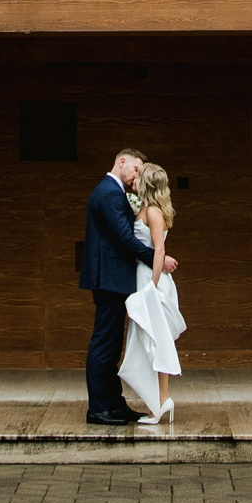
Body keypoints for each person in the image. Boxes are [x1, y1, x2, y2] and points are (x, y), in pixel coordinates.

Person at [79, 148, 169, 426]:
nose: (137, 176)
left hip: (113, 278)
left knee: (112, 343)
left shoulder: (113, 192)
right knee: (105, 343)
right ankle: (98, 408)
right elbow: (123, 239)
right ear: (122, 162)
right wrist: (158, 259)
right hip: (109, 279)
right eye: (136, 169)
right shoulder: (108, 193)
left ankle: (114, 404)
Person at [117, 162, 185, 424]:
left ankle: (162, 400)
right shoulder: (147, 207)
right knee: (152, 339)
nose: (133, 180)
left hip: (151, 279)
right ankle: (159, 400)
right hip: (146, 277)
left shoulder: (153, 212)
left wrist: (152, 287)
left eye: (138, 177)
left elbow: (158, 250)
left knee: (155, 340)